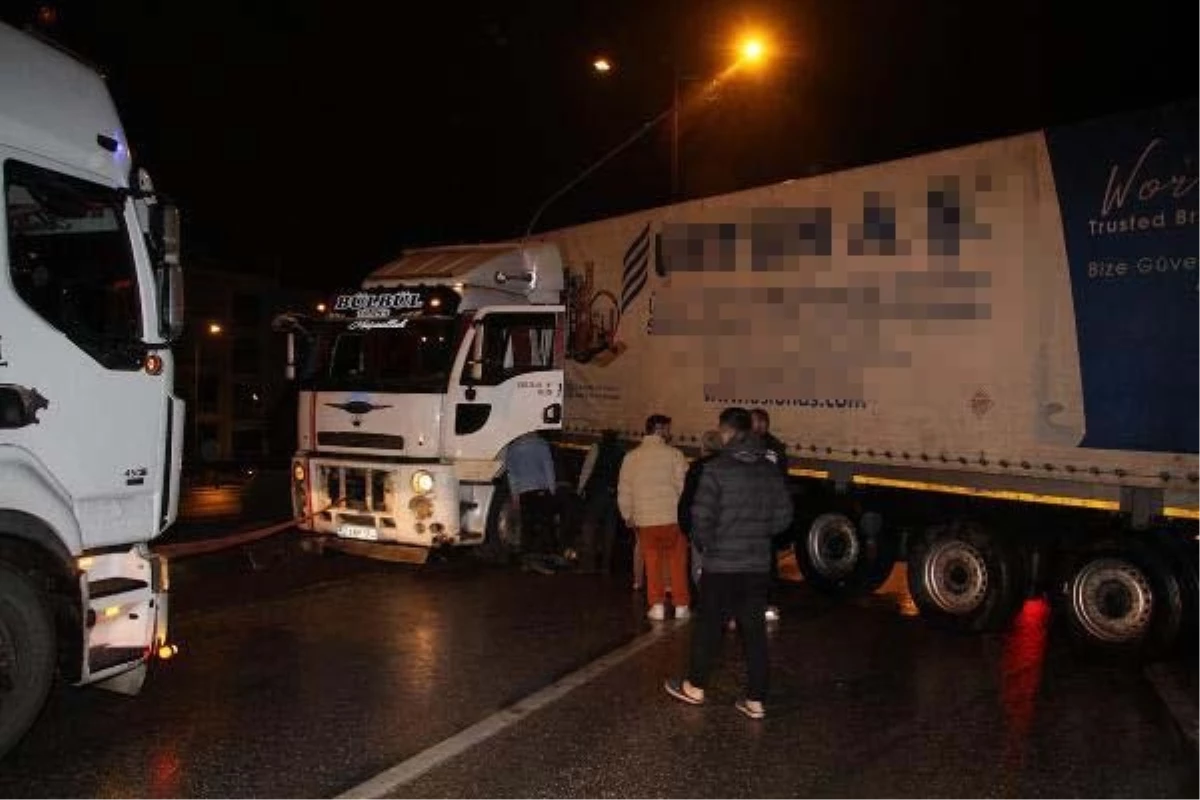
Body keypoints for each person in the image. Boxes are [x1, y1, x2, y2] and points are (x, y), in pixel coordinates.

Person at [664, 407, 793, 720]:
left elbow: (701, 518)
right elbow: (784, 518)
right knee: (754, 632)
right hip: (757, 565)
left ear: (727, 432)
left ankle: (695, 687)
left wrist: (708, 545)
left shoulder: (717, 469)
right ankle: (756, 700)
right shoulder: (768, 470)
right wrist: (758, 534)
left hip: (721, 564)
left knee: (710, 626)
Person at [618, 413, 690, 620]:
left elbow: (625, 489)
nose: (670, 433)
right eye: (668, 429)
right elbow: (683, 486)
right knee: (677, 562)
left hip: (645, 519)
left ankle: (657, 606)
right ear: (660, 429)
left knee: (652, 562)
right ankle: (681, 605)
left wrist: (627, 513)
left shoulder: (631, 457)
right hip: (672, 517)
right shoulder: (675, 454)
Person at [751, 408, 790, 623]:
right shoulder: (775, 448)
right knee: (767, 560)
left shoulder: (756, 448)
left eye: (753, 423)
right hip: (766, 513)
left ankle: (759, 601)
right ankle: (766, 602)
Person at [503, 432, 559, 564]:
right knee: (545, 523)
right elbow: (548, 468)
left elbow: (512, 475)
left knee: (527, 525)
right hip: (541, 489)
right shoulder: (541, 444)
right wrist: (552, 489)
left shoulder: (512, 448)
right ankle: (548, 554)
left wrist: (515, 495)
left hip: (523, 491)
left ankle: (527, 555)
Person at [678, 430, 724, 588]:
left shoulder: (696, 468)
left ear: (703, 447)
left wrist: (685, 525)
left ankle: (706, 600)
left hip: (701, 527)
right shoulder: (730, 468)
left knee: (699, 567)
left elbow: (687, 499)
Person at [576, 429, 625, 574]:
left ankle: (588, 564)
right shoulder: (622, 451)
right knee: (609, 529)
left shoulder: (596, 448)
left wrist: (580, 488)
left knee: (589, 525)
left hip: (598, 491)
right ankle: (605, 565)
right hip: (613, 493)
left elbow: (587, 469)